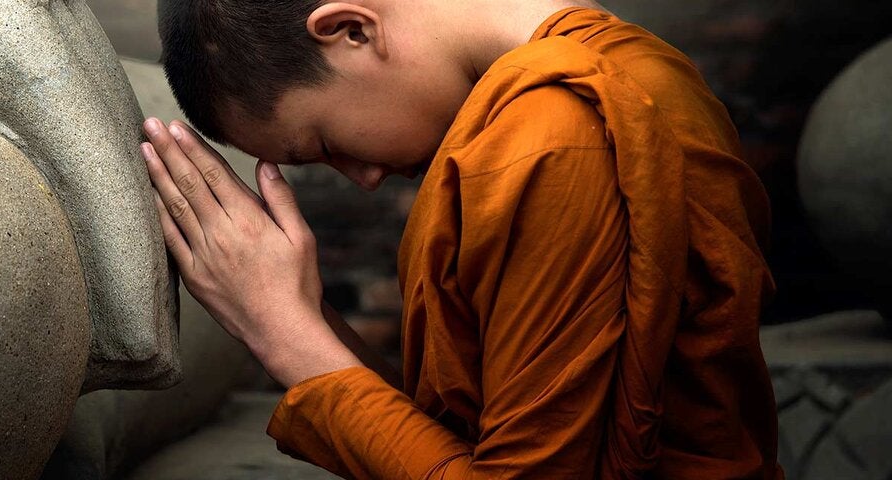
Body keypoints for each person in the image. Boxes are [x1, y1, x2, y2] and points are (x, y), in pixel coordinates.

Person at [137, 0, 783, 478]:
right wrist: (303, 317)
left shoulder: (557, 134)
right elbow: (460, 435)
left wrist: (284, 336)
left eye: (326, 145)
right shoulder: (630, 64)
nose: (361, 179)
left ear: (351, 29)